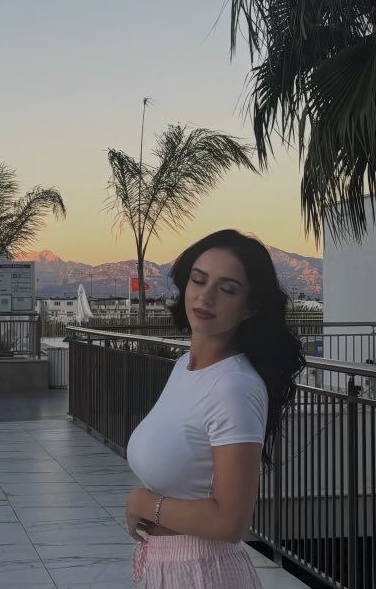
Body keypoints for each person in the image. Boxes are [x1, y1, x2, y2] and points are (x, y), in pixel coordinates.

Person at [124, 229, 305, 588]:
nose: (205, 297)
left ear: (250, 306)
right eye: (198, 280)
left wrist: (144, 503)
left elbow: (230, 521)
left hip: (205, 573)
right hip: (172, 568)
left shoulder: (234, 386)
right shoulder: (184, 367)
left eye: (227, 289)